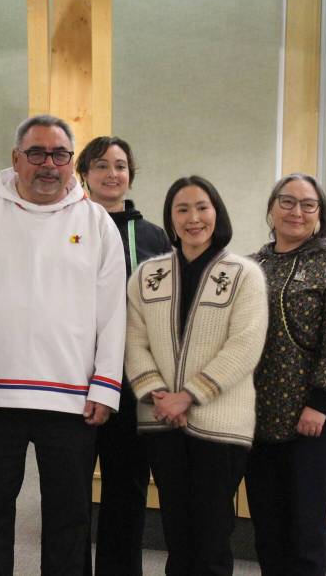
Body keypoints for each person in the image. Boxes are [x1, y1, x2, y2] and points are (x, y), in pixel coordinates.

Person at [0, 115, 127, 576]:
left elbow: (113, 312)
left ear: (71, 163)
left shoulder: (97, 222)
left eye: (60, 155)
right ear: (15, 159)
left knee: (68, 517)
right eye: (37, 154)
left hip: (72, 398)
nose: (49, 165)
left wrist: (105, 387)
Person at [124, 175, 268, 576]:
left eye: (202, 207)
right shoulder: (148, 275)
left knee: (211, 534)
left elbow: (245, 345)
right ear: (170, 219)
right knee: (176, 530)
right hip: (162, 421)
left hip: (220, 425)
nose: (193, 218)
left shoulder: (244, 274)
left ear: (216, 212)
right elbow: (133, 340)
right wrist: (159, 396)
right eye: (181, 209)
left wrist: (188, 396)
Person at [246, 173, 326, 576]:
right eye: (287, 201)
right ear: (271, 209)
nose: (296, 211)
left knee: (305, 532)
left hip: (310, 421)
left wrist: (319, 403)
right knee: (267, 528)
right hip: (257, 419)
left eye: (307, 204)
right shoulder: (252, 264)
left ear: (319, 213)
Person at [74, 136, 170, 576]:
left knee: (126, 490)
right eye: (101, 165)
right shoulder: (68, 226)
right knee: (70, 491)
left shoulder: (152, 236)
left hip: (134, 384)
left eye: (120, 165)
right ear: (84, 174)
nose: (112, 174)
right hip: (75, 378)